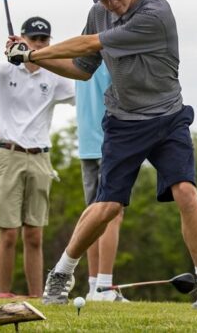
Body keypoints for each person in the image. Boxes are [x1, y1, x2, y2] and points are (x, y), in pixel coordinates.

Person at [6, 0, 197, 310]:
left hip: (168, 117)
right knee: (106, 206)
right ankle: (61, 273)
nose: (112, 2)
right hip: (123, 121)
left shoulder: (156, 14)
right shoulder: (99, 12)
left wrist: (32, 53)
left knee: (185, 190)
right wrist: (30, 56)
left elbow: (91, 45)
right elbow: (81, 68)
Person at [0, 16, 74, 299]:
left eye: (45, 40)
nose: (40, 44)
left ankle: (35, 296)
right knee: (8, 232)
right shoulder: (1, 72)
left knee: (34, 234)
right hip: (10, 155)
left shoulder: (53, 77)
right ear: (22, 39)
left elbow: (82, 90)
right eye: (34, 40)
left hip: (41, 158)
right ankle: (3, 293)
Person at [75, 62, 128, 302]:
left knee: (94, 215)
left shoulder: (81, 56)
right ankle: (104, 287)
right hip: (111, 143)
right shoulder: (114, 54)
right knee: (112, 213)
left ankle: (94, 286)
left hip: (87, 145)